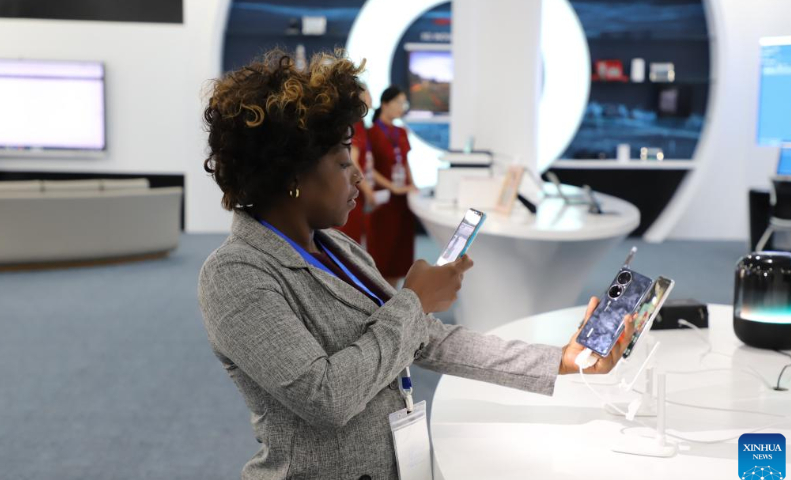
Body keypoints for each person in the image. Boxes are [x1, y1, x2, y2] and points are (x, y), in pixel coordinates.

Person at [198, 48, 633, 480]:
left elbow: (426, 340)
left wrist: (561, 360)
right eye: (343, 162)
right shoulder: (235, 274)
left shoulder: (336, 247)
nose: (357, 176)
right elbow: (325, 396)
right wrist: (413, 302)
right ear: (292, 174)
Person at [366, 86, 417, 287]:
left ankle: (394, 294)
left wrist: (412, 184)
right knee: (383, 252)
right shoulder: (371, 133)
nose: (401, 107)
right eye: (398, 102)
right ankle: (382, 295)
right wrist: (392, 187)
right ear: (385, 104)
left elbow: (405, 162)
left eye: (404, 103)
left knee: (400, 254)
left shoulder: (401, 132)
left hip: (403, 200)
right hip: (383, 200)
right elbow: (368, 168)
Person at [336, 84, 378, 246]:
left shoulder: (357, 123)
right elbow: (352, 161)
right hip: (353, 189)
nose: (371, 98)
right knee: (349, 240)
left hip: (351, 188)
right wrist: (368, 191)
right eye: (367, 94)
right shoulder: (356, 124)